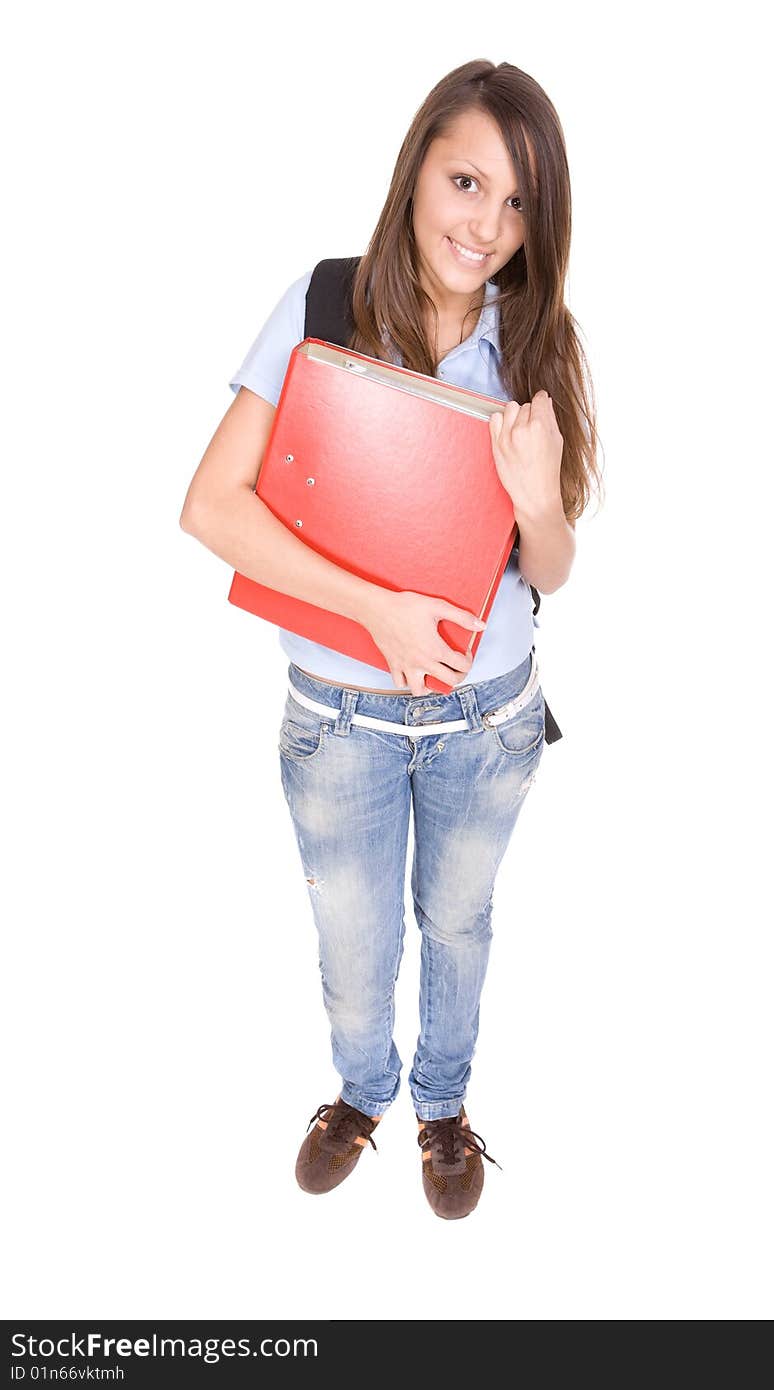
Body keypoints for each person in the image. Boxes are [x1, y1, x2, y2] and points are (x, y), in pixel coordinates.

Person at [180, 59, 601, 1220]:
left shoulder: (538, 339)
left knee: (457, 922)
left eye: (518, 203)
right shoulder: (325, 302)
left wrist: (538, 502)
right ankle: (362, 1092)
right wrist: (376, 612)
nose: (487, 225)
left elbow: (551, 567)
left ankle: (442, 1106)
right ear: (417, 163)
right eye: (467, 180)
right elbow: (212, 508)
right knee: (352, 930)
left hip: (488, 713)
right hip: (340, 718)